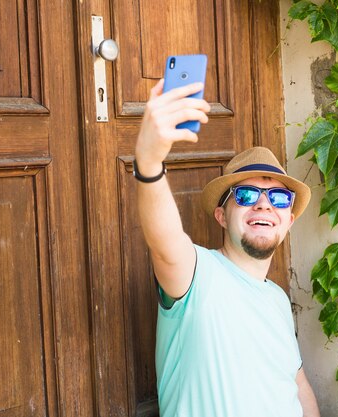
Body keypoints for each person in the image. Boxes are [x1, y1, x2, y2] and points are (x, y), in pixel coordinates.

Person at [134, 79, 321, 417]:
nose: (264, 206)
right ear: (222, 215)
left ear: (288, 221)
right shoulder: (196, 274)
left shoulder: (277, 299)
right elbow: (164, 243)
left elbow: (297, 385)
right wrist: (148, 164)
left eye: (278, 198)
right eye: (246, 196)